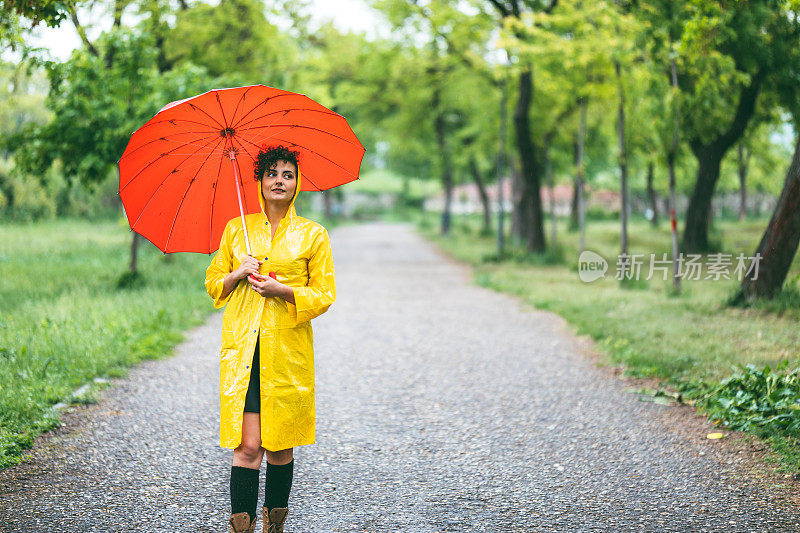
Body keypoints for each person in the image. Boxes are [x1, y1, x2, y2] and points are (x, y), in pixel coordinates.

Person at [204, 145, 336, 533]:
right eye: (272, 173)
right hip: (245, 348)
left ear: (297, 183)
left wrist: (283, 291)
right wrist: (236, 273)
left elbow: (324, 294)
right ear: (260, 182)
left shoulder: (313, 235)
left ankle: (274, 526)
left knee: (279, 444)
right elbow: (214, 283)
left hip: (288, 352)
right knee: (247, 446)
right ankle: (240, 527)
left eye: (288, 174)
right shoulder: (236, 229)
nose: (280, 180)